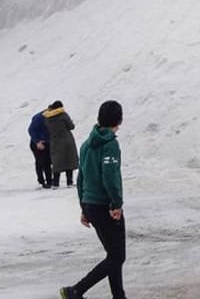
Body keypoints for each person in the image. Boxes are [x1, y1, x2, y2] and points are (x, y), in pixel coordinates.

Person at [60, 100, 125, 299]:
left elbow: (81, 180)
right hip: (105, 205)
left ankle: (119, 296)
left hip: (91, 204)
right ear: (119, 120)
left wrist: (83, 207)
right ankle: (76, 291)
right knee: (117, 256)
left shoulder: (87, 144)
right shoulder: (110, 144)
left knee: (113, 255)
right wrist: (116, 203)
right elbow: (109, 176)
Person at [45, 101, 80, 188]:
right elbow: (71, 126)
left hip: (55, 141)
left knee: (57, 162)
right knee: (69, 160)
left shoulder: (47, 117)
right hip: (66, 140)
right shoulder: (63, 115)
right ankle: (69, 182)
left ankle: (56, 183)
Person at [29, 108, 54, 189]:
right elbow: (31, 130)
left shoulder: (50, 116)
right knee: (41, 162)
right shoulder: (39, 117)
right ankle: (42, 181)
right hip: (37, 143)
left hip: (46, 142)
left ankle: (49, 180)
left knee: (47, 162)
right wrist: (37, 142)